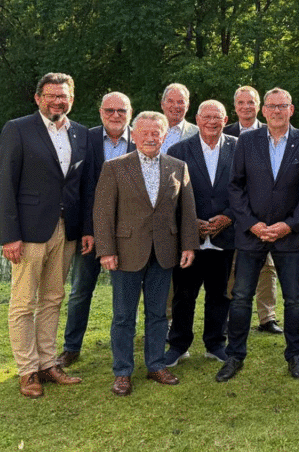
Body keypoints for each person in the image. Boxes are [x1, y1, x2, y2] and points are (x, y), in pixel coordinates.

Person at [216, 88, 299, 381]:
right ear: (264, 111)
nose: (277, 111)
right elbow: (235, 186)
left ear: (291, 109)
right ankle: (235, 356)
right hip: (252, 234)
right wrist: (251, 223)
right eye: (272, 106)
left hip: (289, 234)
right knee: (240, 297)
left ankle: (295, 356)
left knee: (295, 299)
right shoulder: (247, 142)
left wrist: (289, 224)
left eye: (283, 106)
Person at [0, 72, 91, 398]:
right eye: (50, 95)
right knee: (23, 303)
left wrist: (87, 229)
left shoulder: (80, 133)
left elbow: (81, 186)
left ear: (71, 99)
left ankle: (49, 364)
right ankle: (28, 371)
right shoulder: (18, 129)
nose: (57, 101)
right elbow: (5, 185)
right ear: (38, 98)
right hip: (29, 231)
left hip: (66, 231)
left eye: (63, 96)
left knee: (53, 299)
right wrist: (10, 235)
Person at [93, 111, 199, 396]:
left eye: (157, 133)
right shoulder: (114, 167)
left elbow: (187, 211)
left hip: (164, 252)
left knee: (157, 314)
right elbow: (103, 213)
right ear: (135, 135)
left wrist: (189, 245)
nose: (151, 138)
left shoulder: (178, 166)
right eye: (145, 133)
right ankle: (123, 371)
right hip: (126, 252)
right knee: (124, 316)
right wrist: (106, 250)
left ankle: (155, 365)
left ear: (165, 136)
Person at [58, 91, 134, 368]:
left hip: (128, 234)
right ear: (100, 112)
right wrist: (87, 229)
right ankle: (71, 347)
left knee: (124, 295)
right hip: (89, 233)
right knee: (80, 291)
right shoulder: (84, 138)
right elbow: (78, 189)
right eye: (110, 110)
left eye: (122, 111)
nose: (116, 116)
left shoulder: (142, 140)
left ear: (130, 113)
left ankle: (123, 348)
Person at [165, 100, 238, 367]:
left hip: (224, 235)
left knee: (219, 293)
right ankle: (178, 345)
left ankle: (215, 344)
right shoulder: (178, 150)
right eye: (206, 116)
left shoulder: (238, 148)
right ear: (197, 118)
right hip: (189, 238)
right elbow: (169, 195)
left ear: (225, 119)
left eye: (217, 117)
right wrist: (189, 221)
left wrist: (228, 217)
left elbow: (244, 190)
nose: (211, 121)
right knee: (184, 294)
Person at [224, 85, 282, 336]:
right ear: (234, 106)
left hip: (265, 213)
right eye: (241, 102)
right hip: (233, 211)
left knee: (267, 267)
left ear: (259, 106)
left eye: (251, 102)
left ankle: (267, 317)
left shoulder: (272, 131)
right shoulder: (225, 134)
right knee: (232, 266)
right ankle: (229, 317)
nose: (246, 107)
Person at [160, 83, 198, 154]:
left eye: (180, 102)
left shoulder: (197, 134)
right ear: (162, 104)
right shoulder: (149, 132)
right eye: (170, 101)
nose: (175, 106)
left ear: (187, 106)